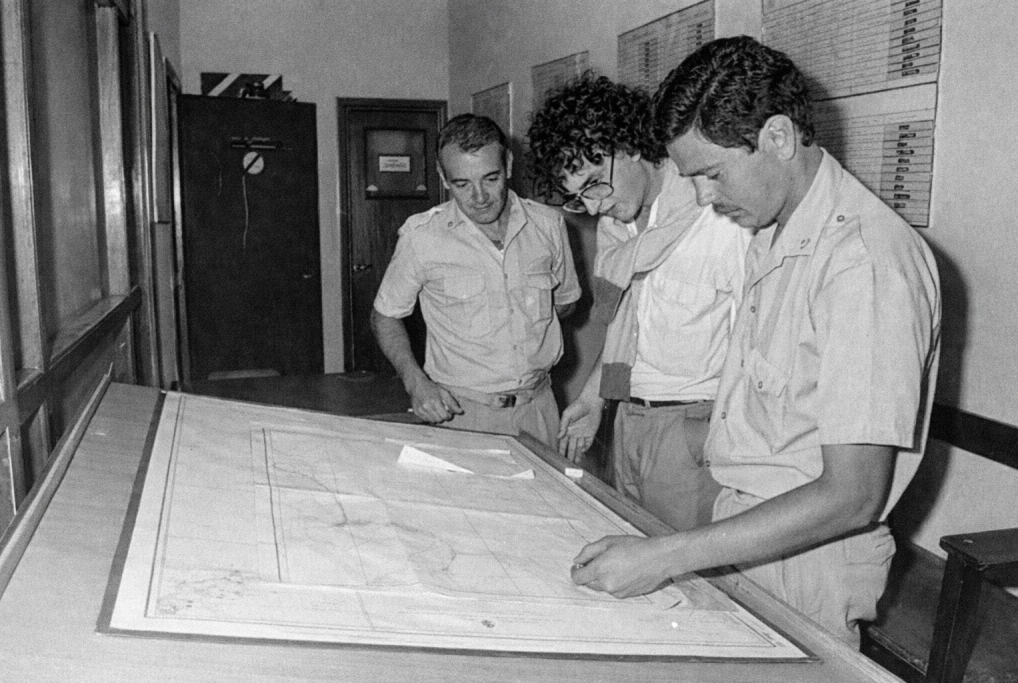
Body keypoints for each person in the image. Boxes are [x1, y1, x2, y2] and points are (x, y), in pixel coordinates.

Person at [569, 36, 941, 647]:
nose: (704, 197)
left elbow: (851, 495)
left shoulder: (864, 263)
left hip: (806, 558)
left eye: (712, 174)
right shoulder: (774, 230)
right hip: (743, 529)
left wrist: (664, 555)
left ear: (778, 137)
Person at [527, 74, 749, 531]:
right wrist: (594, 398)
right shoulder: (619, 233)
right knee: (630, 542)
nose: (591, 208)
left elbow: (756, 337)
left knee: (685, 566)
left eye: (594, 185)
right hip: (626, 419)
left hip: (692, 426)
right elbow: (627, 331)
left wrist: (715, 436)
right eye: (576, 198)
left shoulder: (718, 220)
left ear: (628, 145)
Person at [372, 114, 581, 448]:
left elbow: (565, 303)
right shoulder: (421, 236)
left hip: (538, 410)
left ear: (508, 164)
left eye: (491, 178)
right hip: (462, 414)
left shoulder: (548, 226)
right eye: (462, 184)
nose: (480, 196)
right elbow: (385, 315)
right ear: (443, 177)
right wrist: (416, 383)